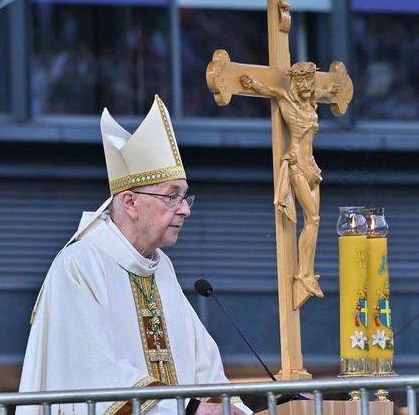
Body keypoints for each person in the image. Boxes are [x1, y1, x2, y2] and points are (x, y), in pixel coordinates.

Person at [18, 95, 252, 415]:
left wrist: (237, 409)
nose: (184, 209)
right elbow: (94, 375)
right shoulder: (79, 266)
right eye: (172, 196)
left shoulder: (160, 267)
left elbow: (204, 366)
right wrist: (189, 409)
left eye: (184, 197)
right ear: (130, 202)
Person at [240, 62, 339, 299]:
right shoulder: (285, 98)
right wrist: (251, 83)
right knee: (312, 218)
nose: (307, 86)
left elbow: (325, 92)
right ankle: (303, 274)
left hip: (312, 166)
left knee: (315, 221)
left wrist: (333, 90)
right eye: (302, 81)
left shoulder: (312, 99)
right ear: (294, 81)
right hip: (296, 165)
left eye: (310, 81)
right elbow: (266, 89)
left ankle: (307, 272)